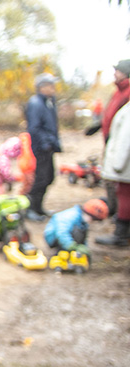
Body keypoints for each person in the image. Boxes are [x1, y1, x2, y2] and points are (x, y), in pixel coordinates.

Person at [87, 59, 130, 217]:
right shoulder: (118, 91)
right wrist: (99, 124)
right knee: (108, 176)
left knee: (118, 179)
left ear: (126, 73)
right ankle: (114, 209)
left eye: (118, 71)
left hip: (121, 142)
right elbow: (111, 113)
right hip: (111, 140)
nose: (114, 74)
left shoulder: (128, 92)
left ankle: (120, 214)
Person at [25, 72, 61, 221]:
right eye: (51, 85)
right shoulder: (36, 103)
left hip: (48, 147)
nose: (53, 88)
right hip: (41, 148)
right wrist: (46, 143)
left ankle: (38, 208)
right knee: (41, 178)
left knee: (49, 177)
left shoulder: (48, 102)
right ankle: (30, 209)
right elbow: (34, 128)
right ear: (42, 87)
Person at [96, 102, 130, 247]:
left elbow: (125, 139)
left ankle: (121, 234)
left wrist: (117, 163)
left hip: (125, 165)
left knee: (125, 197)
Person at [44, 199, 109, 257]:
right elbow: (61, 233)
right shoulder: (71, 216)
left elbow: (84, 238)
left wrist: (85, 248)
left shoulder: (82, 219)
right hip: (53, 237)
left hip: (63, 235)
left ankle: (71, 250)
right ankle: (63, 251)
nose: (92, 222)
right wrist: (72, 246)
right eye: (93, 220)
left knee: (82, 230)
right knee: (77, 231)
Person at [17, 132, 36, 196]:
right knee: (29, 183)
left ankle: (23, 195)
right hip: (28, 166)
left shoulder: (23, 144)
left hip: (25, 166)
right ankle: (24, 196)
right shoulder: (27, 144)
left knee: (27, 183)